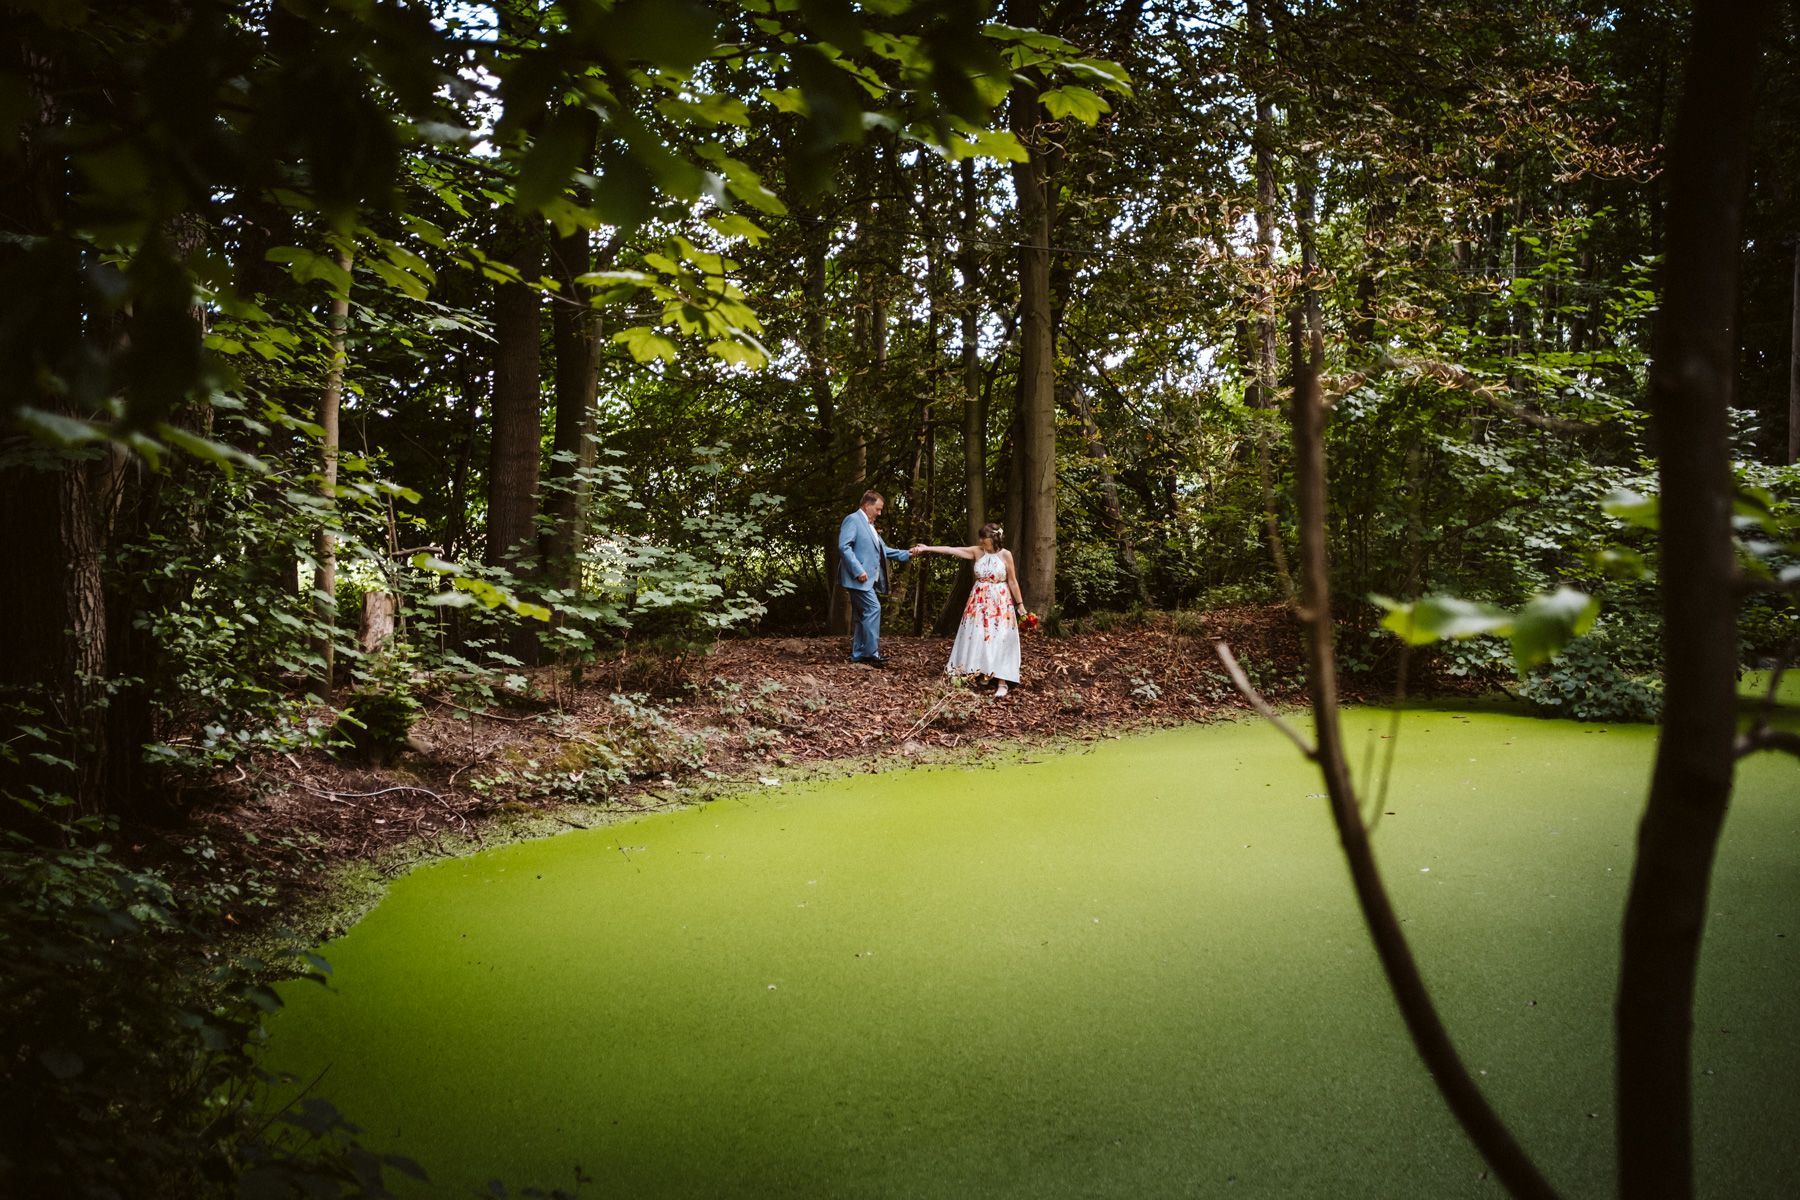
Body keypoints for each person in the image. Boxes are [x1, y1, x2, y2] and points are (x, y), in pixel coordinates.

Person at [908, 522, 1025, 697]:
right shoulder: (977, 551)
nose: (980, 540)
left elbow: (1012, 581)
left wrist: (1020, 605)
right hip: (978, 601)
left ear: (993, 539)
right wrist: (927, 548)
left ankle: (1002, 681)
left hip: (1000, 602)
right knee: (979, 635)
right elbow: (950, 549)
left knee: (1000, 637)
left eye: (983, 537)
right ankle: (984, 671)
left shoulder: (1005, 555)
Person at [838, 490, 912, 668]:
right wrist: (858, 570)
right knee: (873, 608)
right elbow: (844, 546)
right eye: (877, 509)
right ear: (867, 505)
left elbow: (884, 551)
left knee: (863, 615)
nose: (879, 513)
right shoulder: (853, 520)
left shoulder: (869, 525)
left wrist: (908, 553)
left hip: (867, 579)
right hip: (858, 578)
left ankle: (858, 654)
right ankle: (870, 654)